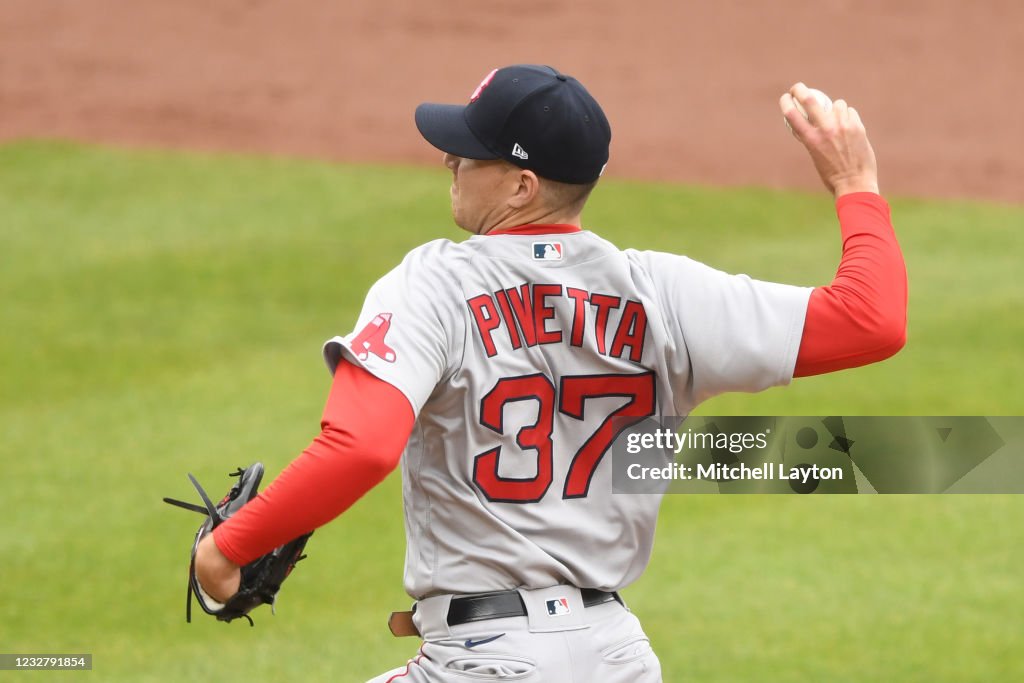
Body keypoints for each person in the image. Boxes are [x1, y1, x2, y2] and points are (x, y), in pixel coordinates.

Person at [193, 64, 906, 681]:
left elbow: (362, 444)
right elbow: (872, 319)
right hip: (618, 656)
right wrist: (856, 182)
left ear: (522, 186)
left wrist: (230, 547)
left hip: (484, 658)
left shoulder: (433, 284)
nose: (450, 161)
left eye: (470, 154)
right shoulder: (665, 294)